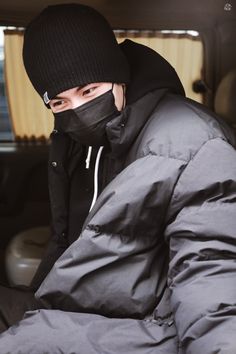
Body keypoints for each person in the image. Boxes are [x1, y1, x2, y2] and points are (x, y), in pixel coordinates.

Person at [0, 3, 236, 353]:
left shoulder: (195, 143)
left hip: (146, 327)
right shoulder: (74, 141)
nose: (78, 110)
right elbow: (66, 242)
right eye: (59, 102)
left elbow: (210, 272)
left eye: (89, 91)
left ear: (118, 75)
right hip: (79, 305)